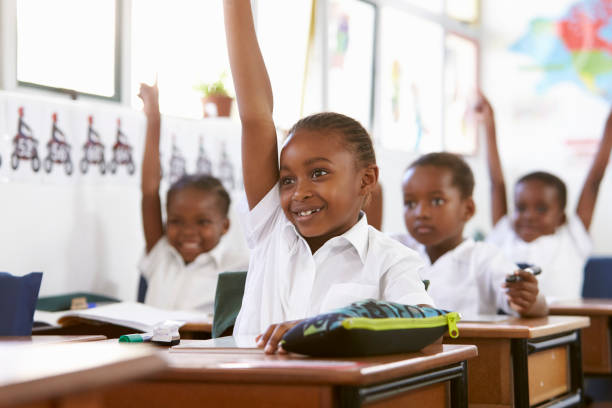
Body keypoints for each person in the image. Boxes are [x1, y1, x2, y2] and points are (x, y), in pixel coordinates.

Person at [223, 0, 432, 353]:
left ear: (366, 180)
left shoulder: (391, 260)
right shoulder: (272, 228)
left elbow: (428, 333)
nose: (299, 193)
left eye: (318, 173)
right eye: (287, 180)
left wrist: (325, 328)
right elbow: (256, 118)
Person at [476, 92, 612, 300]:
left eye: (541, 209)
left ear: (561, 217)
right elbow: (496, 183)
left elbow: (594, 180)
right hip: (509, 329)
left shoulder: (572, 237)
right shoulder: (505, 235)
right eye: (521, 208)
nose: (528, 216)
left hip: (563, 332)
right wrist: (489, 123)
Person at [138, 79, 249, 313]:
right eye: (176, 221)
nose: (188, 232)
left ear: (225, 225)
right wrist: (153, 118)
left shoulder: (239, 269)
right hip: (151, 349)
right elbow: (149, 192)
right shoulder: (161, 254)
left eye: (203, 222)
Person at [395, 152, 548, 317]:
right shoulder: (395, 249)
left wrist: (529, 299)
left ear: (468, 209)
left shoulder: (484, 258)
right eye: (410, 203)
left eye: (436, 201)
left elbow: (535, 307)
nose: (420, 213)